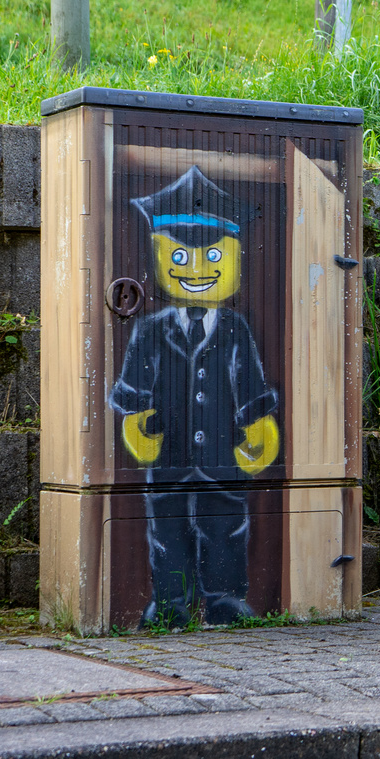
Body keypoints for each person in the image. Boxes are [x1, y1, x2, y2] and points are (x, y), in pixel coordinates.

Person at [108, 165, 280, 626]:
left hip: (223, 459)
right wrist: (135, 425)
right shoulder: (150, 329)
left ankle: (224, 598)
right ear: (160, 256)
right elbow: (136, 391)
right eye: (181, 258)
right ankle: (172, 602)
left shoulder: (235, 329)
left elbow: (249, 384)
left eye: (212, 258)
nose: (198, 270)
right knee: (167, 531)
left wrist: (259, 427)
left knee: (225, 526)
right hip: (169, 457)